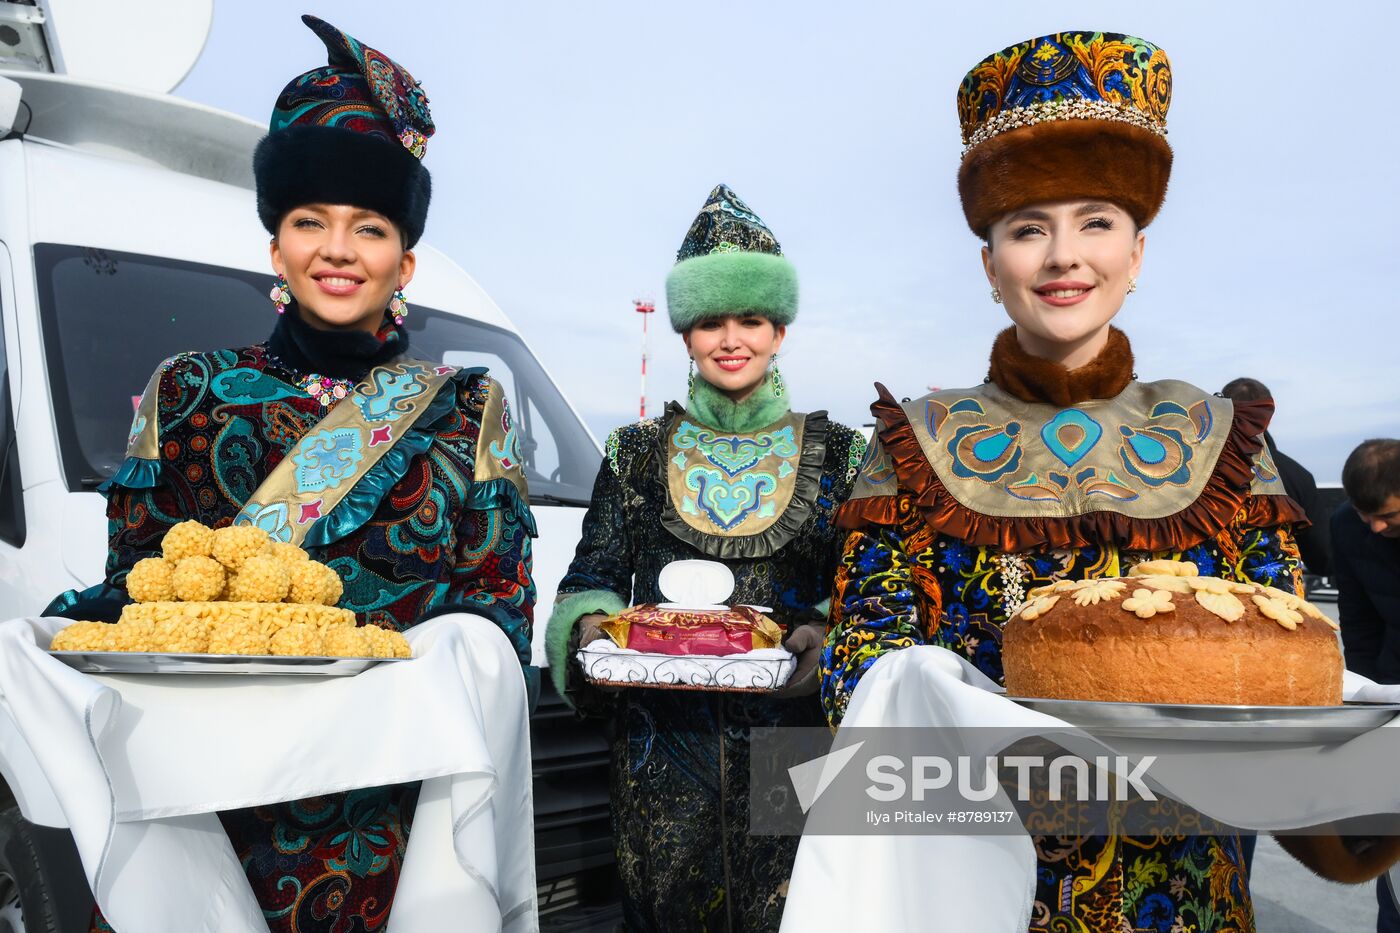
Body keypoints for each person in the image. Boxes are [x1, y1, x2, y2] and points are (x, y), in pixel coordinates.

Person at [820, 30, 1396, 931]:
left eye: (1096, 220)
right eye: (1027, 228)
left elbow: (1290, 667)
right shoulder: (910, 447)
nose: (1063, 256)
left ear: (1138, 252)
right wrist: (951, 706)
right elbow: (858, 667)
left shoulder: (1224, 441)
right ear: (990, 264)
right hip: (979, 875)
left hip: (1194, 885)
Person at [47, 16, 536, 931]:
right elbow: (143, 589)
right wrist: (50, 635)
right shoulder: (190, 390)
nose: (339, 249)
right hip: (211, 795)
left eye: (370, 226)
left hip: (391, 808)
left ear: (405, 260)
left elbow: (501, 617)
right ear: (277, 246)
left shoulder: (470, 408)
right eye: (310, 221)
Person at [545, 184, 866, 931]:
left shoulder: (844, 453)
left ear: (779, 329)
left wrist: (826, 631)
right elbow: (590, 577)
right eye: (709, 321)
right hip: (659, 751)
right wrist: (590, 631)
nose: (731, 338)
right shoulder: (635, 454)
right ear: (685, 334)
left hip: (795, 746)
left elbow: (861, 586)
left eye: (750, 319)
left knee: (798, 913)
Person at [1332, 439, 1400, 930]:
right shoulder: (1344, 527)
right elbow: (1355, 620)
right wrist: (1364, 700)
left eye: (1390, 518)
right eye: (1365, 515)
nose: (1375, 528)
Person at [1222, 377, 1331, 576]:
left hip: (1207, 594)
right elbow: (1321, 556)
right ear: (1269, 414)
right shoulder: (1297, 475)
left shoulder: (1192, 468)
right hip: (1274, 598)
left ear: (1222, 409)